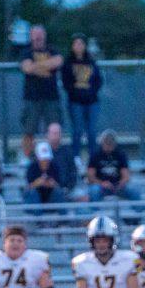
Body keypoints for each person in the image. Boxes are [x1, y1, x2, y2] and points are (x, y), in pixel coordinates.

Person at [72, 216, 137, 288]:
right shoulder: (82, 262)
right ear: (91, 241)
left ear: (112, 240)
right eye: (97, 241)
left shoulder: (128, 259)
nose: (101, 244)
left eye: (105, 240)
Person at [18, 24, 64, 154]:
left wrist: (35, 66)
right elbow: (27, 68)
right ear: (31, 36)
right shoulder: (26, 52)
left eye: (40, 34)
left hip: (51, 97)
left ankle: (54, 157)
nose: (38, 37)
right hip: (32, 98)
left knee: (54, 129)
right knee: (28, 131)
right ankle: (29, 159)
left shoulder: (53, 49)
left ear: (45, 35)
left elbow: (58, 61)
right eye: (35, 34)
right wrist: (47, 65)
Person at [61, 33, 102, 158]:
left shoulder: (91, 62)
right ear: (72, 46)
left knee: (91, 131)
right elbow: (66, 82)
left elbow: (98, 80)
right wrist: (76, 93)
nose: (79, 46)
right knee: (77, 131)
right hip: (75, 102)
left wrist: (91, 93)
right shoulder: (68, 63)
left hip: (92, 101)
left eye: (81, 44)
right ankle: (76, 158)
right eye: (76, 44)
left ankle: (93, 159)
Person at [87, 129, 140, 201]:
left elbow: (126, 176)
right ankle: (95, 211)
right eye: (106, 143)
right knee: (94, 190)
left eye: (111, 143)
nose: (109, 146)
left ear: (115, 144)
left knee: (133, 189)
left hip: (118, 186)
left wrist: (121, 183)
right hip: (101, 186)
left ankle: (140, 211)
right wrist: (102, 183)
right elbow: (90, 177)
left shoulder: (121, 155)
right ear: (102, 142)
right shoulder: (95, 155)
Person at [46, 122, 83, 201]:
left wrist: (68, 187)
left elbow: (73, 172)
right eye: (53, 133)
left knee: (83, 197)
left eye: (57, 133)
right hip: (49, 190)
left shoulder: (68, 151)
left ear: (61, 135)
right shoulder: (43, 152)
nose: (55, 136)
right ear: (48, 135)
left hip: (68, 189)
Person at [24, 142, 66, 207]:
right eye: (42, 159)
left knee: (59, 192)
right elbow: (28, 187)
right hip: (35, 200)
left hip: (51, 198)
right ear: (38, 158)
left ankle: (63, 216)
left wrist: (52, 184)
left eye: (47, 159)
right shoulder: (32, 168)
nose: (45, 162)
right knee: (33, 193)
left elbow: (60, 185)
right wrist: (37, 183)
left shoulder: (55, 167)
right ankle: (37, 215)